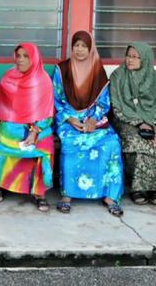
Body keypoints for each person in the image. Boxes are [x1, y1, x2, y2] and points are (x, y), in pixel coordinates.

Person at [53, 31, 124, 216]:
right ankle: (68, 194)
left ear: (91, 48)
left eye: (84, 46)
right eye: (76, 45)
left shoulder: (98, 70)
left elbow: (104, 101)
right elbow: (56, 99)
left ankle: (110, 195)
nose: (79, 49)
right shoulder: (61, 70)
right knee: (71, 141)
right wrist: (70, 118)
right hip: (69, 119)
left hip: (94, 120)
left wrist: (93, 118)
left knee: (111, 142)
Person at [110, 42, 156, 205]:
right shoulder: (118, 76)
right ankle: (138, 189)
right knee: (136, 140)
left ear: (145, 59)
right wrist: (139, 123)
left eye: (135, 57)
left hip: (155, 121)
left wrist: (152, 125)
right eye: (128, 56)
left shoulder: (155, 77)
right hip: (126, 120)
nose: (130, 60)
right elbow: (117, 106)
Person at [0, 43, 55, 212]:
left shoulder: (43, 81)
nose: (20, 60)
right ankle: (2, 184)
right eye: (18, 56)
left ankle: (39, 191)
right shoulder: (9, 77)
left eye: (26, 56)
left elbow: (47, 113)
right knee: (7, 134)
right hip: (12, 122)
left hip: (38, 125)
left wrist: (35, 131)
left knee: (43, 142)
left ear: (34, 58)